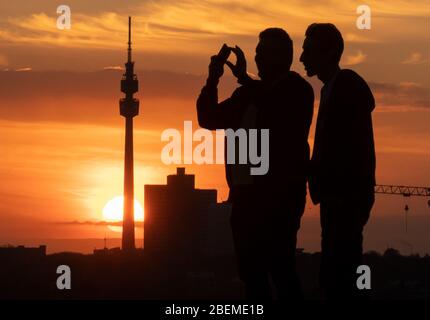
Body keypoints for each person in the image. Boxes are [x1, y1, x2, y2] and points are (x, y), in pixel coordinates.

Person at [197, 28, 314, 299]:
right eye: (258, 51)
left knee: (280, 268)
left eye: (263, 52)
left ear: (281, 56)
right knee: (251, 273)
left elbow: (276, 112)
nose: (257, 57)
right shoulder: (246, 95)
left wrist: (244, 80)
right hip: (245, 197)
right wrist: (212, 79)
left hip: (279, 198)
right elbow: (209, 118)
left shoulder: (297, 90)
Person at [299, 23, 376, 299]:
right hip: (339, 197)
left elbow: (351, 149)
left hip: (344, 198)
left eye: (308, 50)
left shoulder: (345, 88)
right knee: (337, 269)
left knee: (340, 273)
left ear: (330, 51)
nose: (302, 58)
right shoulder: (334, 89)